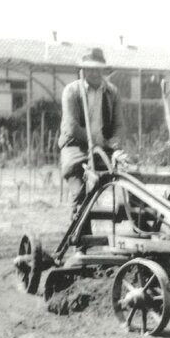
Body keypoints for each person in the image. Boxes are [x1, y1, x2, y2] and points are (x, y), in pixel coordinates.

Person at [58, 48, 127, 219]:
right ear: (83, 70)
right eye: (90, 68)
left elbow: (119, 125)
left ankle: (137, 224)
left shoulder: (112, 92)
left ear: (103, 69)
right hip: (75, 146)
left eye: (98, 68)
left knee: (130, 176)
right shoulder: (71, 92)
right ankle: (80, 239)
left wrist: (115, 144)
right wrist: (95, 140)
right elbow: (71, 127)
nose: (94, 72)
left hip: (104, 148)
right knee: (80, 190)